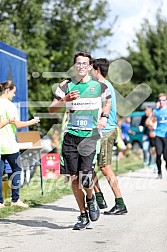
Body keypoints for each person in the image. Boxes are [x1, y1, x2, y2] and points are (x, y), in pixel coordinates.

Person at [49, 51, 111, 230]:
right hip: (71, 137)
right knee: (74, 179)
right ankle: (83, 214)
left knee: (85, 177)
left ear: (90, 66)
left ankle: (91, 198)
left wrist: (104, 117)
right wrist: (65, 99)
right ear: (74, 66)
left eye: (85, 63)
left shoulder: (100, 86)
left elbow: (107, 102)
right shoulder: (66, 85)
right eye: (78, 63)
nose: (81, 66)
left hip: (89, 136)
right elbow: (52, 109)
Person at [91, 58, 127, 215]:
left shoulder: (104, 86)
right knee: (87, 167)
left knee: (105, 167)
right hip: (96, 131)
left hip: (106, 131)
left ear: (97, 70)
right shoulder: (98, 86)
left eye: (92, 69)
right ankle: (99, 199)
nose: (90, 72)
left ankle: (120, 203)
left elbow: (105, 108)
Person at [0, 80, 40, 208]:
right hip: (9, 145)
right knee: (17, 170)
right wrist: (32, 122)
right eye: (13, 92)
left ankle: (0, 202)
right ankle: (15, 200)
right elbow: (18, 124)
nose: (14, 95)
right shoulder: (10, 105)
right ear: (7, 91)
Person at [153, 93, 167, 179]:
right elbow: (148, 121)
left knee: (166, 156)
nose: (161, 102)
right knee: (158, 154)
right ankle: (159, 172)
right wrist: (150, 124)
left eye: (163, 100)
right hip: (158, 134)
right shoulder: (156, 111)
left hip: (166, 135)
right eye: (160, 100)